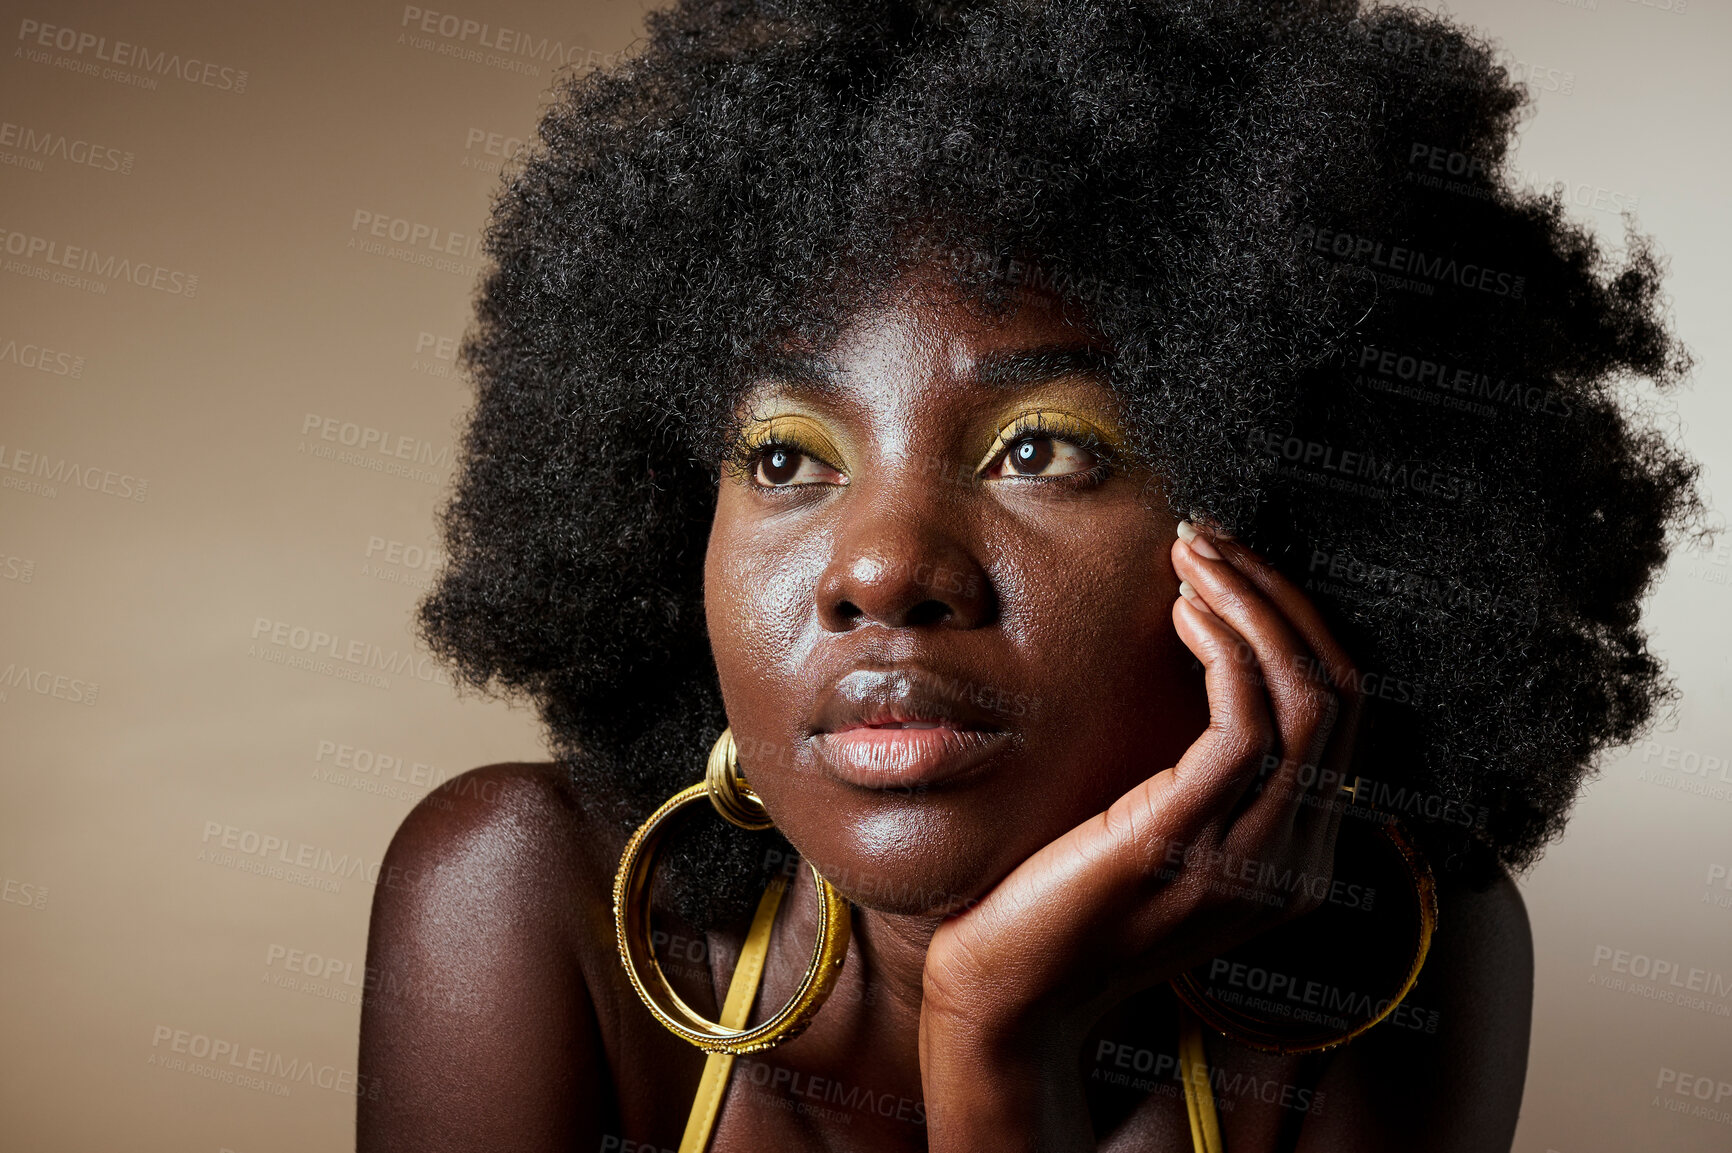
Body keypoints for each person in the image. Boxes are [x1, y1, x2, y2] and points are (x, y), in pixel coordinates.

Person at [357, 1, 1701, 1149]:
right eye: (782, 459)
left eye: (1042, 449)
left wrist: (1000, 1043)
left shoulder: (1388, 972)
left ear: (1293, 516)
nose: (882, 567)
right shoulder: (529, 904)